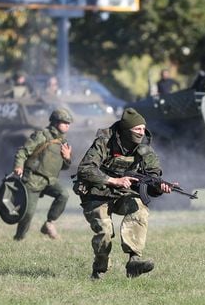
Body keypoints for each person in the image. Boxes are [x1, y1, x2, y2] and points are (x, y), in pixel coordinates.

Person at [74, 107, 173, 279]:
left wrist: (159, 186)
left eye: (143, 129)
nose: (141, 133)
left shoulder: (144, 149)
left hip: (121, 194)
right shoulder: (104, 142)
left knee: (139, 209)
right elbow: (85, 169)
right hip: (96, 193)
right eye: (137, 130)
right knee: (104, 232)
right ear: (126, 130)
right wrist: (113, 180)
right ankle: (99, 270)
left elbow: (152, 175)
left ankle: (134, 260)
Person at [11, 108, 73, 241]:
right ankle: (19, 238)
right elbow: (23, 152)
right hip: (33, 179)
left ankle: (49, 223)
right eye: (64, 122)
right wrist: (19, 166)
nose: (67, 125)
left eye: (69, 123)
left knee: (63, 195)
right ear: (55, 123)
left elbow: (64, 167)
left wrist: (67, 158)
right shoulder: (41, 136)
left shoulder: (63, 143)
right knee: (28, 213)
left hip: (49, 181)